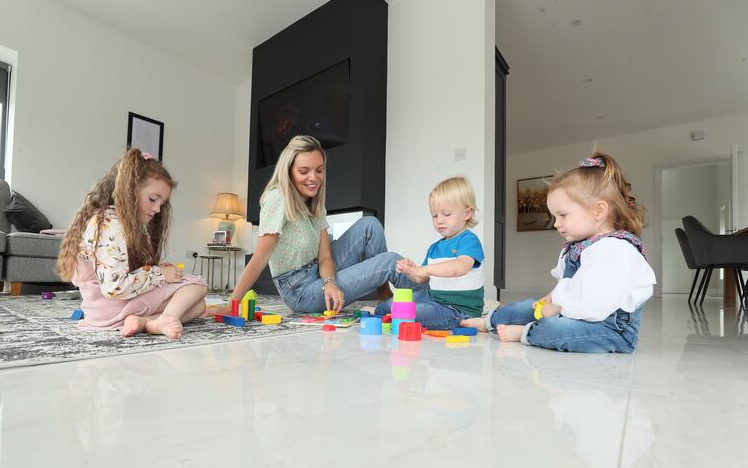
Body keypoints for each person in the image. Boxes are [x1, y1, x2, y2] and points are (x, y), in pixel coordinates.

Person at [461, 152, 656, 353]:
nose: (556, 223)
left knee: (555, 327)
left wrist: (557, 308)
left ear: (599, 211)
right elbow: (567, 286)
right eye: (555, 216)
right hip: (574, 311)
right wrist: (548, 299)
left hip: (611, 329)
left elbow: (594, 307)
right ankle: (490, 322)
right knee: (528, 306)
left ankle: (525, 333)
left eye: (563, 215)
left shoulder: (616, 250)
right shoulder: (578, 247)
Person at [228, 135, 410, 313]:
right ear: (288, 170)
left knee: (370, 225)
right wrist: (231, 304)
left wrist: (330, 283)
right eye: (304, 171)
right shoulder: (278, 198)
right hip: (298, 291)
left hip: (317, 271)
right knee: (390, 261)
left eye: (319, 170)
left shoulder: (314, 203)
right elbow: (260, 258)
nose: (313, 178)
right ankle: (424, 304)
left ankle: (385, 298)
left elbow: (325, 257)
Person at [56, 148, 208, 339]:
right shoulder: (110, 224)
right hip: (111, 307)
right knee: (197, 285)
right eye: (153, 199)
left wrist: (156, 271)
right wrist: (160, 274)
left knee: (198, 305)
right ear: (130, 190)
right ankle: (164, 318)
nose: (157, 209)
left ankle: (144, 321)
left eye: (162, 203)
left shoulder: (111, 220)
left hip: (100, 310)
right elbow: (114, 287)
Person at [372, 176, 485, 330]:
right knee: (392, 305)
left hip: (458, 311)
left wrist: (424, 269)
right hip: (432, 299)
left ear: (467, 214)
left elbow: (460, 267)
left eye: (446, 214)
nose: (439, 220)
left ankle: (388, 315)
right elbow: (421, 278)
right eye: (434, 215)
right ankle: (378, 312)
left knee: (408, 313)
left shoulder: (469, 240)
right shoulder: (434, 247)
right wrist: (411, 270)